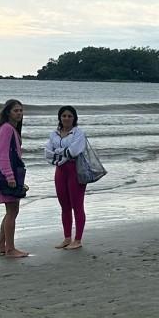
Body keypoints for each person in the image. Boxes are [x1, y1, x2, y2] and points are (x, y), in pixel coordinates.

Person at [44, 105, 88, 250]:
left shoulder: (79, 133)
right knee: (64, 206)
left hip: (75, 171)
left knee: (77, 206)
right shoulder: (54, 134)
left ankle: (78, 239)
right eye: (64, 116)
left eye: (70, 116)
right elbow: (47, 153)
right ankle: (67, 238)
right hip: (60, 171)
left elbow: (74, 151)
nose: (67, 118)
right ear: (60, 118)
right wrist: (62, 154)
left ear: (74, 118)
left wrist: (58, 152)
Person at [0, 99, 29, 258]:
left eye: (21, 110)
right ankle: (10, 249)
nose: (19, 113)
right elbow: (1, 154)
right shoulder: (6, 128)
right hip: (7, 176)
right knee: (12, 211)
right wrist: (9, 176)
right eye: (16, 110)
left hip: (11, 174)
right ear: (8, 112)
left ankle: (1, 246)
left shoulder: (11, 128)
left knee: (12, 211)